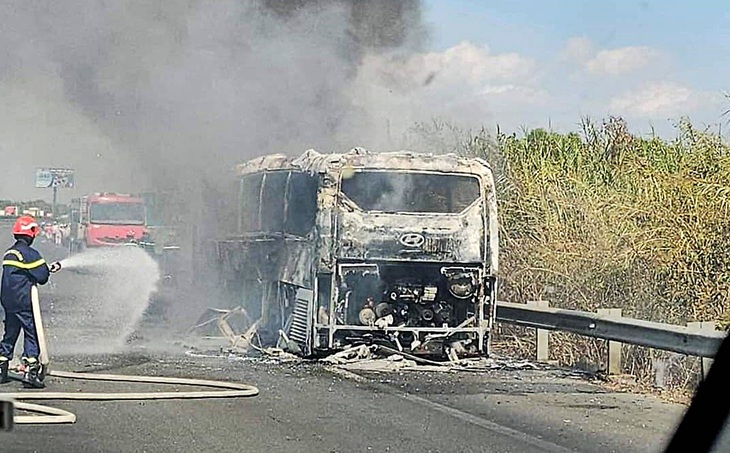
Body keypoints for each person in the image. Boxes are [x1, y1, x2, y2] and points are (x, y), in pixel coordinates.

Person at [0, 216, 61, 388]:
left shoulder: (10, 252)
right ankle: (30, 371)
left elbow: (25, 272)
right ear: (31, 234)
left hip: (8, 300)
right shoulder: (30, 254)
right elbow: (41, 277)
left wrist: (45, 268)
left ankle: (1, 369)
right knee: (31, 331)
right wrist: (46, 270)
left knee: (10, 332)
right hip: (23, 300)